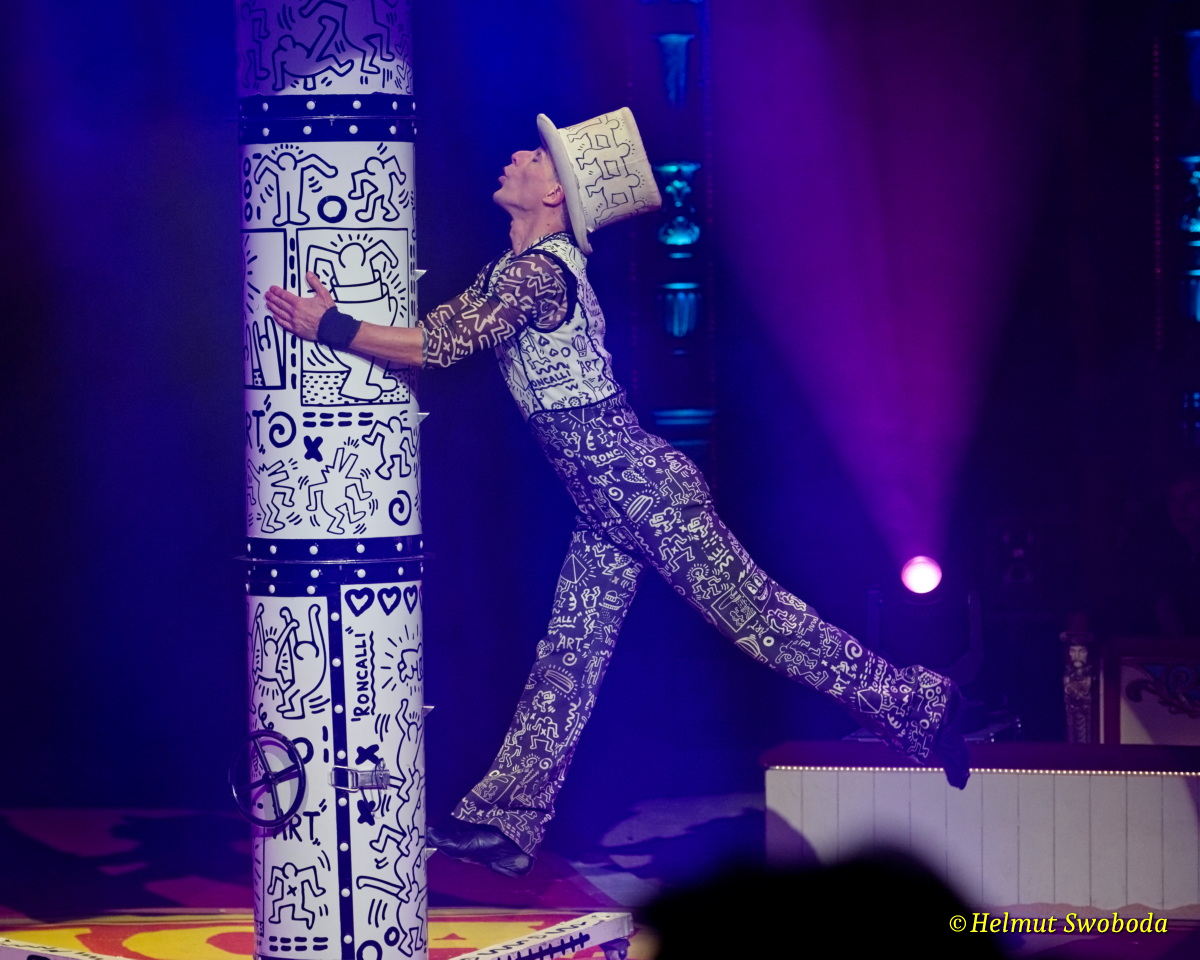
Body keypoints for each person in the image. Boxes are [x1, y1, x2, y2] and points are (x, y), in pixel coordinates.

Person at [264, 108, 969, 880]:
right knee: (568, 656)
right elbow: (432, 339)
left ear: (554, 195)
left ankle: (918, 702)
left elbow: (440, 345)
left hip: (642, 490)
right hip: (606, 502)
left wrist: (332, 326)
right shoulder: (510, 269)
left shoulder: (539, 273)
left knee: (761, 622)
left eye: (535, 156)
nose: (516, 155)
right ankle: (507, 823)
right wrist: (347, 325)